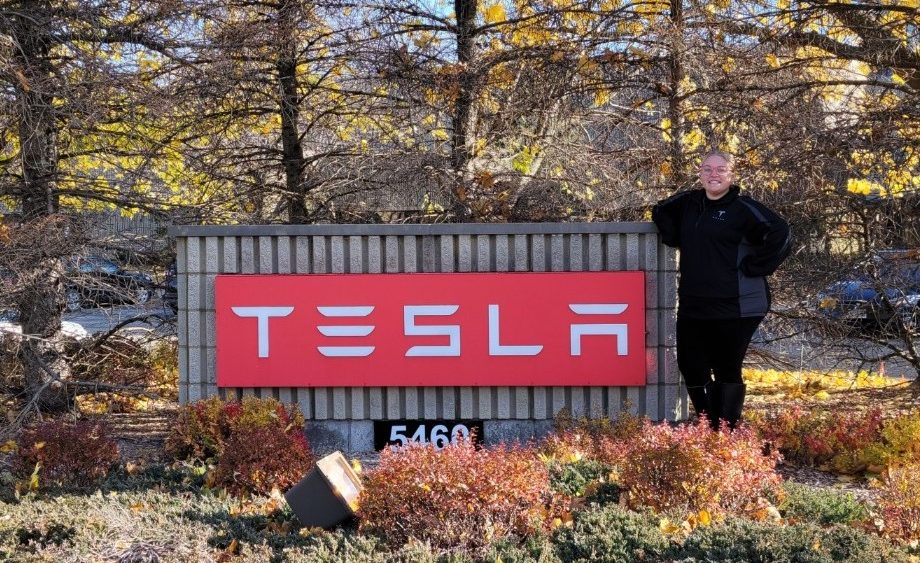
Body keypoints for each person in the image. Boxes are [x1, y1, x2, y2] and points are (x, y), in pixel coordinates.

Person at [652, 150, 791, 430]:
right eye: (707, 169)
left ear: (732, 175)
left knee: (727, 366)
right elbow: (660, 210)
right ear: (700, 174)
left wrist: (757, 266)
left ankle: (726, 429)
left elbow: (782, 232)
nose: (713, 175)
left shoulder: (743, 208)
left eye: (721, 170)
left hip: (738, 304)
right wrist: (674, 236)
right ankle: (709, 422)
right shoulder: (690, 203)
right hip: (694, 303)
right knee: (691, 366)